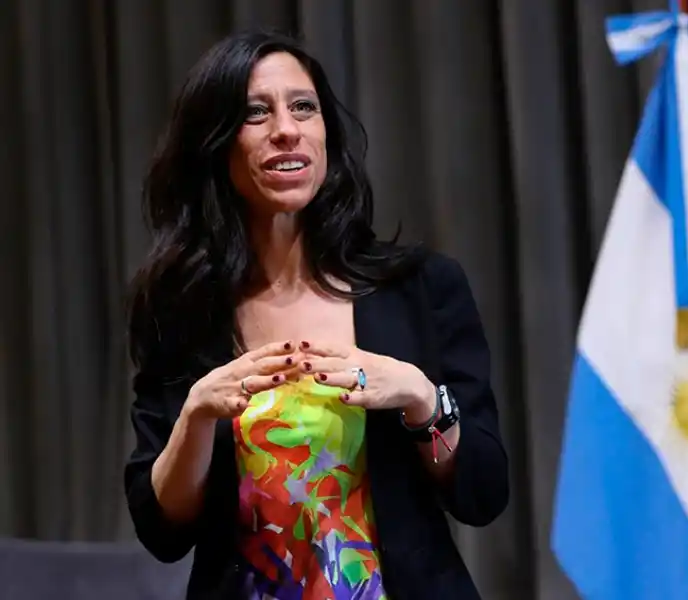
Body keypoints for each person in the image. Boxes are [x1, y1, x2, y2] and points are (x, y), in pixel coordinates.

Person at [123, 30, 509, 600]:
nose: (287, 129)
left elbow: (482, 493)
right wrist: (196, 417)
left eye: (303, 107)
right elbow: (162, 530)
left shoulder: (420, 287)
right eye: (256, 113)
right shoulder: (183, 307)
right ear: (216, 142)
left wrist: (421, 399)